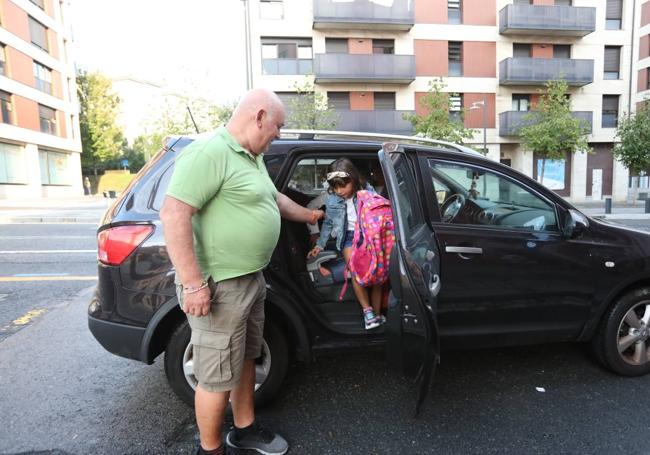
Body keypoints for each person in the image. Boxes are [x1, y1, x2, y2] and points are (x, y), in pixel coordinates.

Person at [160, 88, 323, 455]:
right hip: (219, 286)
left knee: (246, 357)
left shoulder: (251, 157)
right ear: (260, 116)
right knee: (216, 376)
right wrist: (193, 284)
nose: (279, 133)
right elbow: (173, 215)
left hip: (250, 279)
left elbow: (274, 200)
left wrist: (311, 215)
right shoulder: (209, 152)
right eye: (278, 126)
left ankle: (245, 429)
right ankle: (210, 448)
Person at [307, 158, 386, 330]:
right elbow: (328, 222)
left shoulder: (367, 191)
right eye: (335, 187)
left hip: (369, 234)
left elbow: (379, 211)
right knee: (355, 271)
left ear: (354, 179)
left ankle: (378, 315)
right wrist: (319, 244)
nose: (339, 191)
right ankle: (368, 312)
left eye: (343, 186)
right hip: (349, 237)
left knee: (377, 275)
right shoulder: (333, 199)